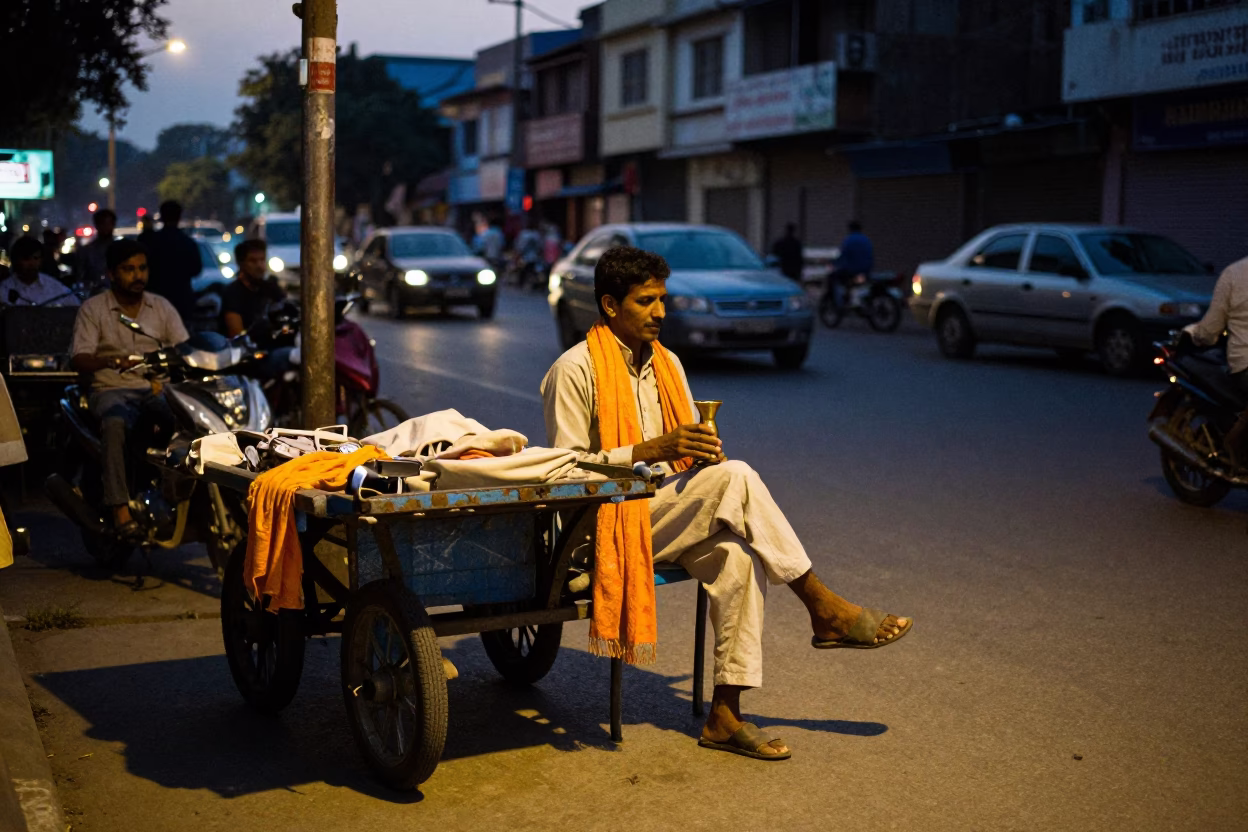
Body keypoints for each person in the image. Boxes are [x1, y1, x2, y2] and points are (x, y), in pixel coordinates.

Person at [540, 246, 911, 761]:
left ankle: (725, 715)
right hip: (602, 523)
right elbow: (562, 473)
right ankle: (822, 607)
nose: (661, 312)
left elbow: (685, 455)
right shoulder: (574, 370)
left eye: (662, 299)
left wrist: (697, 451)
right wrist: (652, 450)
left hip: (664, 511)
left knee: (737, 557)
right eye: (646, 301)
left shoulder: (668, 364)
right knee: (736, 478)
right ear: (609, 305)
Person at [70, 239, 188, 537]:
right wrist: (110, 360)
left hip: (156, 390)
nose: (138, 275)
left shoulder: (161, 307)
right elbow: (80, 357)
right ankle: (119, 509)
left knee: (189, 422)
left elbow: (184, 349)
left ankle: (177, 496)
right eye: (129, 269)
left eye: (142, 268)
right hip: (111, 390)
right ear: (112, 273)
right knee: (115, 424)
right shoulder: (93, 309)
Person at [1184, 254, 1248, 464]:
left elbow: (1210, 329)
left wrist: (1199, 334)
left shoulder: (1234, 272)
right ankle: (1235, 440)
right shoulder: (1235, 273)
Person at [220, 238, 293, 380]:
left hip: (272, 349)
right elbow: (236, 334)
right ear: (241, 264)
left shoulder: (270, 289)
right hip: (249, 360)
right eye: (253, 261)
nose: (260, 266)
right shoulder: (233, 293)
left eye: (262, 260)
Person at [142, 200, 201, 324]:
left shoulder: (152, 241)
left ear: (162, 217)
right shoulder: (187, 242)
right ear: (179, 217)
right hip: (182, 298)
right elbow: (196, 269)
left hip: (156, 297)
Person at [0, 236, 79, 307]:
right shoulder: (5, 289)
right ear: (16, 260)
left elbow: (75, 305)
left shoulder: (53, 286)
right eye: (26, 259)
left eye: (36, 258)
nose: (32, 263)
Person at [76, 208, 117, 291]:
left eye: (109, 223)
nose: (106, 227)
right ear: (97, 225)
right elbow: (80, 275)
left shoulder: (121, 249)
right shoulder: (86, 251)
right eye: (103, 224)